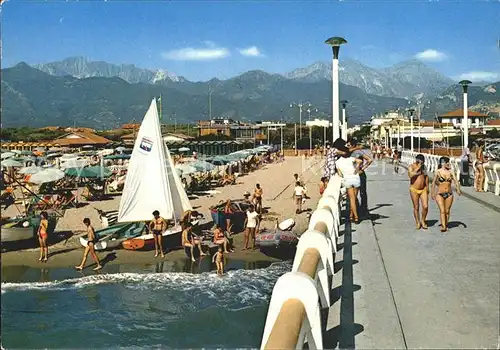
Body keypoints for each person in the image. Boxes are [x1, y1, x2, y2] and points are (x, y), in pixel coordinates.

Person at [334, 139, 362, 224]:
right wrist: (357, 168)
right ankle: (351, 215)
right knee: (354, 198)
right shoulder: (351, 159)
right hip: (356, 178)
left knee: (352, 199)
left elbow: (340, 174)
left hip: (347, 180)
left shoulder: (337, 162)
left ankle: (356, 217)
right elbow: (360, 161)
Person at [431, 157, 462, 232]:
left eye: (449, 162)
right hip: (440, 194)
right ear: (443, 163)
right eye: (447, 162)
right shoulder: (438, 172)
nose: (448, 164)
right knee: (442, 210)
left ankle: (446, 223)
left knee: (447, 211)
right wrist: (432, 193)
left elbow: (456, 181)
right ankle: (443, 226)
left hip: (449, 193)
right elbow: (433, 183)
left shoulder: (451, 171)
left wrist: (458, 189)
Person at [349, 139, 373, 216]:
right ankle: (356, 209)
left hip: (360, 174)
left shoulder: (358, 152)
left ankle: (364, 209)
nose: (347, 146)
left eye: (349, 145)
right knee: (352, 193)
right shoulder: (347, 153)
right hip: (351, 175)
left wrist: (362, 168)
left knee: (362, 193)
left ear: (353, 145)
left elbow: (369, 160)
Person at [408, 154, 429, 230]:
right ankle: (418, 222)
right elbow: (410, 175)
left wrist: (427, 187)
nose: (422, 163)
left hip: (423, 189)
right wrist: (418, 169)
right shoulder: (411, 166)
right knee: (416, 207)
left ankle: (423, 220)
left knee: (425, 206)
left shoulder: (424, 167)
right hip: (414, 189)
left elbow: (426, 177)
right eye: (420, 161)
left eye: (423, 161)